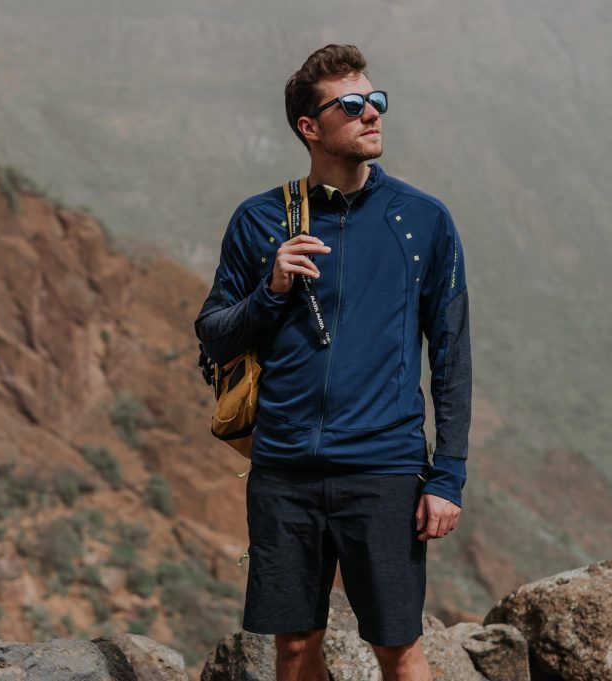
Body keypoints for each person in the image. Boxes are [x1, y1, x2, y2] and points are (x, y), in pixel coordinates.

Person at [194, 43, 471, 681]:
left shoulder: (423, 220)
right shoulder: (260, 220)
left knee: (398, 648)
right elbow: (212, 337)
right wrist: (271, 291)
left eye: (376, 100)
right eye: (351, 105)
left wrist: (447, 476)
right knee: (292, 650)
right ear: (309, 127)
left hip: (384, 468)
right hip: (284, 471)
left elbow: (452, 356)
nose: (371, 113)